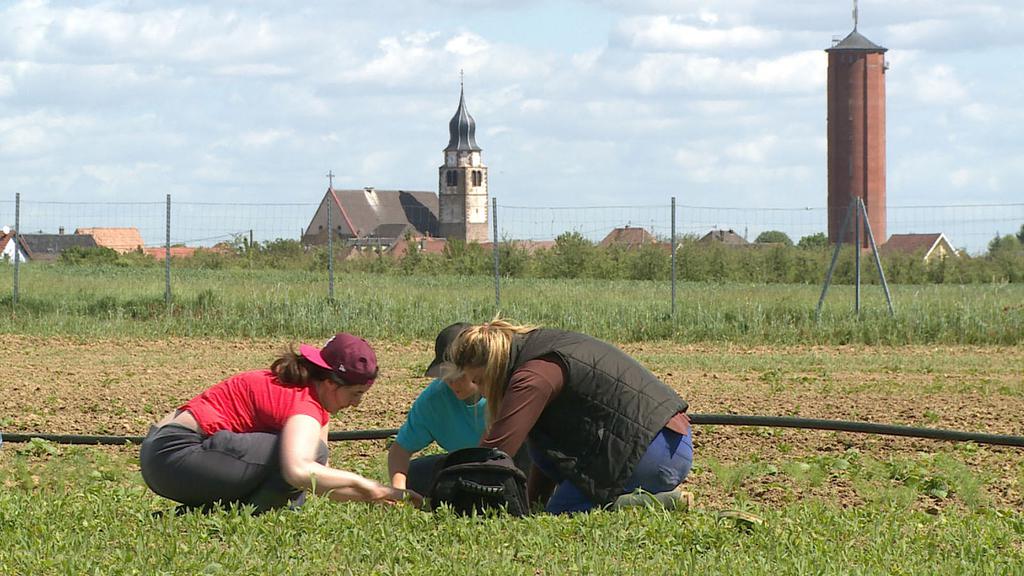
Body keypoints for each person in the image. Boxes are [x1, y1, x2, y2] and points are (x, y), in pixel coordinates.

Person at [140, 333, 421, 513]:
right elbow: (300, 471)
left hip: (163, 455)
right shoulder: (304, 403)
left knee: (312, 459)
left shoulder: (306, 391)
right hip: (175, 453)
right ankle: (257, 516)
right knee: (309, 456)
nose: (357, 403)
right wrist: (370, 486)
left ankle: (206, 515)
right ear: (329, 383)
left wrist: (376, 497)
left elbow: (316, 479)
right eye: (356, 394)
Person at [445, 319, 693, 514]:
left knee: (562, 512)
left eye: (479, 380)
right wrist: (532, 505)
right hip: (670, 439)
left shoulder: (530, 378)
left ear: (493, 367)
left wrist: (449, 496)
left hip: (652, 452)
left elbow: (494, 456)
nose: (482, 390)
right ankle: (650, 497)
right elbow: (546, 450)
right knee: (539, 449)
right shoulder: (539, 349)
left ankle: (649, 503)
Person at [387, 323, 488, 496]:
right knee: (414, 474)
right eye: (445, 376)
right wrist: (398, 493)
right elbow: (399, 451)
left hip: (510, 464)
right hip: (466, 466)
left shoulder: (506, 391)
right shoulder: (434, 398)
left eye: (459, 375)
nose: (452, 383)